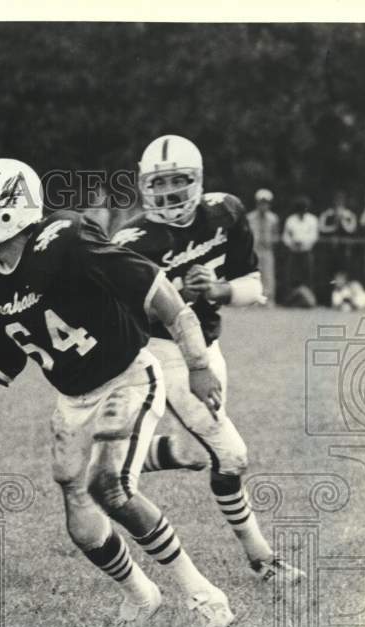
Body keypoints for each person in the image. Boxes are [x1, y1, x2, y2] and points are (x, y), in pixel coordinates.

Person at [0, 157, 234, 627]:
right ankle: (139, 592)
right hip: (72, 398)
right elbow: (4, 361)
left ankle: (204, 594)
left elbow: (159, 292)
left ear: (10, 209)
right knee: (79, 514)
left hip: (128, 376)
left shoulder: (66, 239)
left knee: (110, 487)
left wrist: (196, 363)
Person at [112, 135, 302, 586]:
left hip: (209, 348)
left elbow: (254, 287)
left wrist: (214, 290)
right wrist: (165, 300)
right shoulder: (133, 240)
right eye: (160, 182)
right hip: (163, 352)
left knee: (198, 453)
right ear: (144, 185)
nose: (171, 192)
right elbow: (117, 314)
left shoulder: (225, 212)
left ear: (197, 180)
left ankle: (112, 465)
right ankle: (263, 560)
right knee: (232, 455)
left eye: (180, 180)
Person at [281, 197, 320, 306]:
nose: (302, 212)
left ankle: (309, 302)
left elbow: (314, 236)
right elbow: (285, 236)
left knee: (308, 277)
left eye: (303, 210)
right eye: (300, 210)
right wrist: (292, 244)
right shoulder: (290, 220)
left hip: (306, 252)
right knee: (290, 277)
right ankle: (289, 302)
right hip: (293, 253)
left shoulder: (312, 220)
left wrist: (304, 243)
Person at [247, 188, 280, 303]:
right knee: (253, 275)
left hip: (267, 250)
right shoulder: (250, 218)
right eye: (261, 203)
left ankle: (269, 300)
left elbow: (276, 234)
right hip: (254, 250)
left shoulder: (273, 218)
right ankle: (253, 300)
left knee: (268, 276)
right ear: (257, 203)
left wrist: (270, 242)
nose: (263, 205)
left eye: (266, 203)